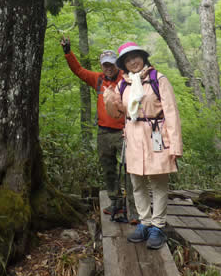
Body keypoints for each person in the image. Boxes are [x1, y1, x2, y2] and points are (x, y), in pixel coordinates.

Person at [104, 41, 183, 250]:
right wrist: (111, 100)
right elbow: (119, 113)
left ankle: (158, 225)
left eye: (136, 56)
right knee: (137, 183)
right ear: (124, 64)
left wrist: (175, 145)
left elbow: (172, 113)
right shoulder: (124, 84)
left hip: (156, 135)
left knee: (158, 183)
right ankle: (144, 222)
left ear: (143, 57)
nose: (133, 62)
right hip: (133, 137)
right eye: (128, 59)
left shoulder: (159, 79)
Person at [60, 36, 138, 223]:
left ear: (117, 65)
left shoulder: (126, 80)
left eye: (111, 64)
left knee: (130, 169)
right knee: (108, 169)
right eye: (105, 65)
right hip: (103, 132)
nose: (108, 68)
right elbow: (78, 71)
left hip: (124, 132)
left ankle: (134, 208)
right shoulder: (98, 80)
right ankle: (115, 202)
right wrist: (68, 52)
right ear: (101, 66)